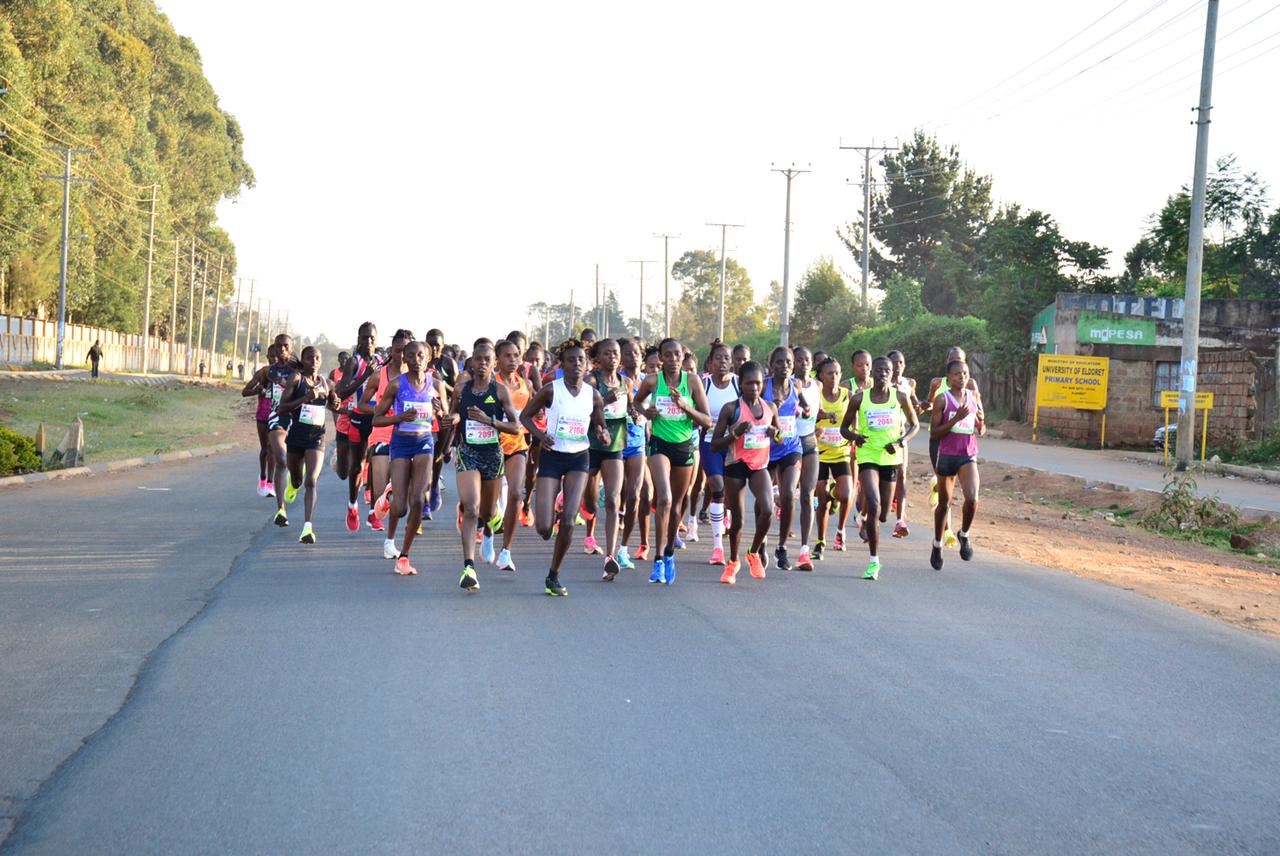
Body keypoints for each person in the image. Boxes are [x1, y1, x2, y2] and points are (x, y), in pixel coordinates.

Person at [519, 338, 610, 597]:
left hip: (579, 458)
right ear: (562, 364)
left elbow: (600, 425)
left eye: (581, 360)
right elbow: (526, 416)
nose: (576, 364)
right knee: (545, 529)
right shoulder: (551, 390)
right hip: (552, 455)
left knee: (569, 521)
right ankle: (551, 505)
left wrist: (602, 435)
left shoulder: (593, 395)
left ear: (588, 364)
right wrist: (539, 434)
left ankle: (554, 575)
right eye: (571, 360)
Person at [634, 337, 713, 585]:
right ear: (660, 358)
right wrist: (645, 412)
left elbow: (707, 420)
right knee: (664, 498)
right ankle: (658, 559)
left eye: (677, 355)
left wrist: (684, 406)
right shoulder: (651, 381)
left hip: (685, 446)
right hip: (659, 444)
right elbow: (636, 401)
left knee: (677, 504)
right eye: (667, 355)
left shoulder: (692, 381)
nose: (673, 359)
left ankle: (669, 553)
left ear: (683, 357)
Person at [448, 341, 521, 591]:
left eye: (486, 360)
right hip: (468, 452)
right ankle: (468, 567)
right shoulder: (460, 389)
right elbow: (455, 416)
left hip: (492, 454)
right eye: (477, 360)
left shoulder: (500, 391)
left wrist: (490, 421)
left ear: (494, 364)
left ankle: (494, 518)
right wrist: (450, 419)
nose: (482, 364)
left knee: (487, 513)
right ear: (472, 362)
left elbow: (515, 427)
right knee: (471, 507)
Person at [372, 340, 447, 576]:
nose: (416, 360)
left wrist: (440, 411)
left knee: (417, 500)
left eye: (421, 355)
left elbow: (445, 417)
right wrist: (400, 416)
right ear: (404, 357)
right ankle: (391, 497)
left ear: (428, 358)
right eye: (411, 355)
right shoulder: (396, 385)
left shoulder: (436, 385)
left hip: (424, 442)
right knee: (401, 506)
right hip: (401, 443)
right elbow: (376, 419)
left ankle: (404, 555)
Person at [841, 355, 920, 580]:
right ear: (872, 373)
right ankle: (874, 562)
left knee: (884, 514)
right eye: (879, 370)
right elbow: (844, 429)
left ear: (892, 373)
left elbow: (914, 425)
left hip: (891, 457)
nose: (883, 373)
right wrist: (855, 437)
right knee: (874, 505)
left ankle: (869, 521)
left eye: (887, 370)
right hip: (868, 456)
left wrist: (901, 441)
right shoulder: (859, 399)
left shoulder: (901, 397)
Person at [709, 360, 780, 584]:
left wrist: (774, 432)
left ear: (763, 384)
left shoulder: (770, 408)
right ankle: (732, 563)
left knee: (767, 510)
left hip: (759, 465)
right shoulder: (731, 409)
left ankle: (754, 551)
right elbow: (714, 445)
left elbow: (781, 438)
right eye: (749, 383)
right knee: (737, 520)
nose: (753, 388)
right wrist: (735, 433)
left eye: (758, 383)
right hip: (735, 464)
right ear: (740, 383)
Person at [922, 346, 983, 548]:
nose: (962, 377)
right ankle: (937, 543)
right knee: (944, 504)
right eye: (957, 374)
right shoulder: (942, 398)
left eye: (965, 373)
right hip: (946, 453)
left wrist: (981, 427)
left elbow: (980, 421)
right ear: (949, 377)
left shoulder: (973, 396)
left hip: (968, 453)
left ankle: (964, 534)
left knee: (972, 498)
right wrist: (956, 418)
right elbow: (934, 432)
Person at [276, 346, 336, 544]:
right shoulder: (296, 379)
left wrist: (335, 402)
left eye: (318, 358)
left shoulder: (326, 384)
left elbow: (336, 404)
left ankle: (307, 528)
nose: (314, 361)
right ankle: (293, 483)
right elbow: (281, 408)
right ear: (303, 360)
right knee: (297, 478)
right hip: (296, 436)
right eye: (310, 358)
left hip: (316, 438)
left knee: (311, 480)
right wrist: (305, 399)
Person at [582, 338, 629, 580]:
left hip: (615, 444)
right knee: (590, 505)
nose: (613, 357)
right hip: (590, 443)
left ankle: (609, 557)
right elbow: (581, 410)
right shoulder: (590, 381)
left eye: (616, 353)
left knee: (612, 499)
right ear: (597, 358)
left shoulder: (626, 382)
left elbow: (630, 409)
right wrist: (604, 400)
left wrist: (640, 414)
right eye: (607, 353)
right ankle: (576, 500)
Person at [762, 346, 809, 571]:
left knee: (789, 494)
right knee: (765, 504)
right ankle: (761, 541)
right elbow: (750, 408)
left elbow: (803, 403)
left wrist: (807, 409)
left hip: (791, 447)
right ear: (771, 365)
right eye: (779, 362)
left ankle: (781, 547)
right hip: (765, 449)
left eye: (789, 362)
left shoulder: (796, 385)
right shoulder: (763, 385)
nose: (785, 366)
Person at [699, 340, 739, 566]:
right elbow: (696, 412)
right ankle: (717, 548)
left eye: (726, 358)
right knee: (716, 485)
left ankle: (726, 517)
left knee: (730, 494)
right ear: (710, 362)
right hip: (709, 443)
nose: (722, 362)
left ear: (731, 363)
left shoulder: (738, 385)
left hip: (734, 445)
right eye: (718, 358)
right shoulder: (703, 385)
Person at [495, 339, 532, 571]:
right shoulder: (491, 384)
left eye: (516, 355)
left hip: (517, 445)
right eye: (507, 356)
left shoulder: (525, 384)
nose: (512, 360)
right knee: (489, 506)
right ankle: (488, 532)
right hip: (490, 446)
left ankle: (506, 551)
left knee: (516, 494)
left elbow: (533, 411)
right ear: (497, 359)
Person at [812, 357, 854, 564]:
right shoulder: (815, 395)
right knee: (821, 502)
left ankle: (834, 498)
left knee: (845, 494)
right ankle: (820, 541)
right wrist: (814, 430)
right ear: (821, 376)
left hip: (841, 453)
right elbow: (805, 420)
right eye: (830, 373)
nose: (834, 377)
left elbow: (856, 421)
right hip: (819, 453)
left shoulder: (848, 396)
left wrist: (853, 433)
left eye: (837, 373)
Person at [616, 338, 651, 570]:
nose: (632, 357)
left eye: (636, 353)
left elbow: (653, 409)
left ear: (642, 355)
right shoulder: (616, 380)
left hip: (639, 443)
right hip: (616, 442)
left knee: (636, 495)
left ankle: (624, 549)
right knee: (612, 496)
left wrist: (645, 416)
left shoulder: (650, 382)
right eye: (627, 353)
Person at [791, 346, 821, 570]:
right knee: (786, 496)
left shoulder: (817, 385)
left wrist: (825, 417)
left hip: (810, 441)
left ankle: (804, 551)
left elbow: (815, 411)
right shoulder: (788, 384)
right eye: (799, 360)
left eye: (807, 360)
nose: (803, 363)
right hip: (789, 443)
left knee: (807, 496)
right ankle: (771, 546)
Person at [887, 349, 919, 539]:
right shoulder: (879, 384)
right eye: (894, 363)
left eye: (900, 362)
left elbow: (915, 405)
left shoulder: (909, 384)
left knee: (902, 474)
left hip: (900, 434)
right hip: (878, 437)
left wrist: (921, 405)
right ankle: (865, 513)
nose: (897, 366)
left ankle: (900, 520)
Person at [240, 343, 278, 497]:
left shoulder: (288, 374)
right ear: (267, 357)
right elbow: (245, 392)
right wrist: (257, 390)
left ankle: (271, 482)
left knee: (273, 449)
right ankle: (262, 477)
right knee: (265, 449)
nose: (274, 359)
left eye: (277, 355)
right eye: (271, 356)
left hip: (279, 415)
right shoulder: (262, 373)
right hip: (263, 415)